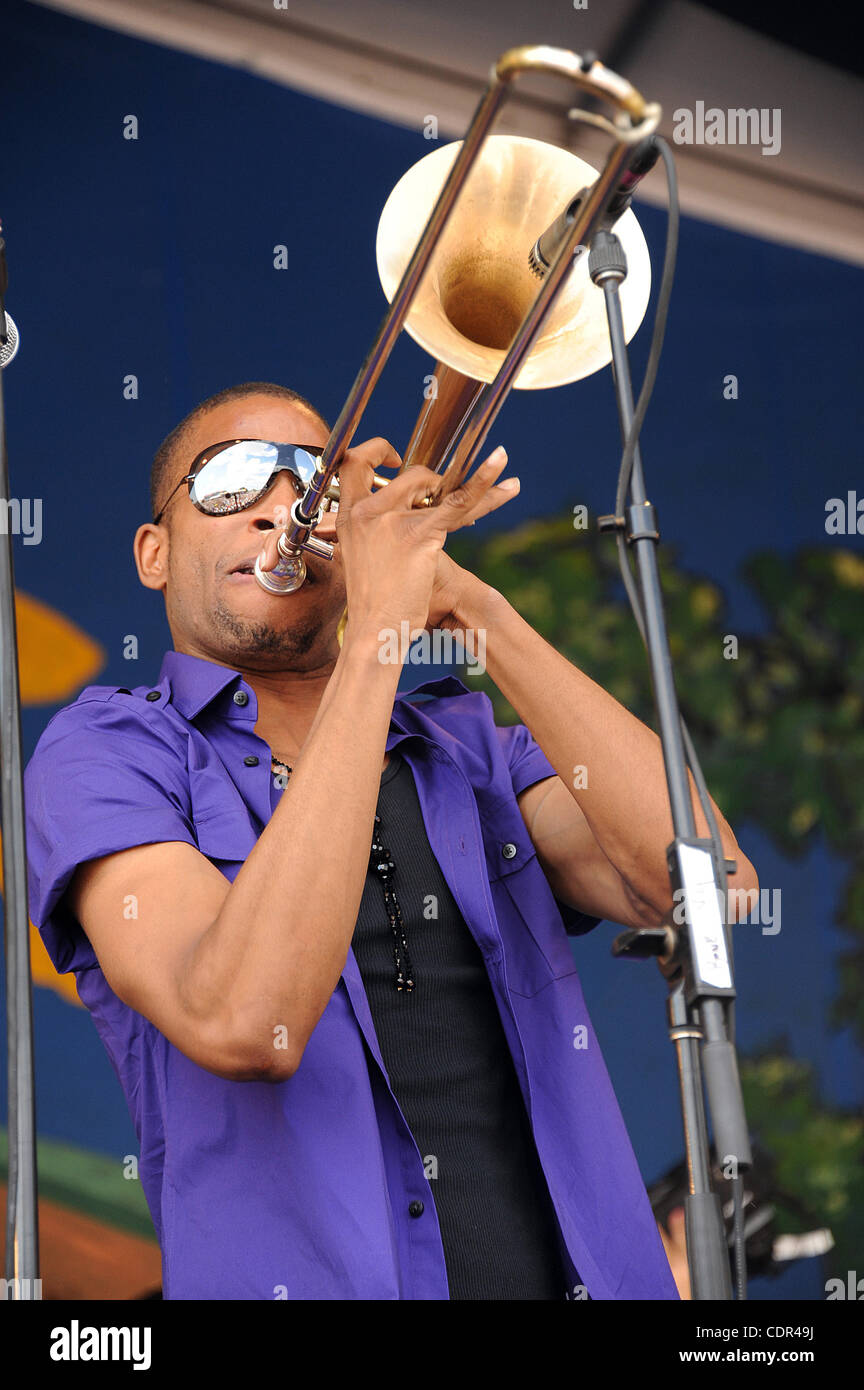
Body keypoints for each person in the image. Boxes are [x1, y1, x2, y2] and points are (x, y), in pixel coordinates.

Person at [24, 380, 759, 1301]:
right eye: (233, 481)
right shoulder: (107, 753)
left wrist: (475, 613)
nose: (282, 508)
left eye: (313, 485)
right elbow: (243, 1019)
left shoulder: (468, 747)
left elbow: (708, 887)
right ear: (155, 553)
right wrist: (375, 634)